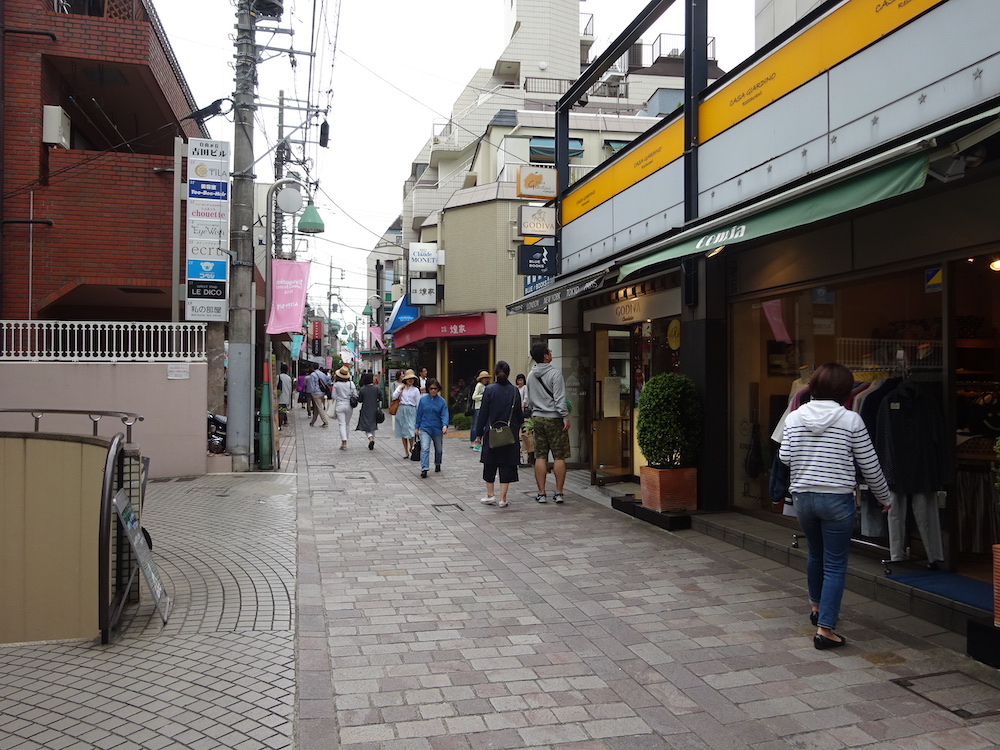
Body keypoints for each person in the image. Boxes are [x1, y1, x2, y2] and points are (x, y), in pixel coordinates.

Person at [779, 362, 890, 650]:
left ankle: (816, 609)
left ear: (813, 386)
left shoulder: (794, 417)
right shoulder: (851, 420)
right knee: (835, 564)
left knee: (815, 555)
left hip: (803, 497)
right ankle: (825, 629)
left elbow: (785, 457)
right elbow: (869, 464)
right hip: (837, 499)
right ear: (846, 390)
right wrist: (884, 497)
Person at [525, 342, 570, 503]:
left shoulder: (530, 375)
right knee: (559, 456)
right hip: (554, 418)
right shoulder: (555, 374)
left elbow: (528, 400)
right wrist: (565, 416)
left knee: (540, 456)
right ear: (545, 356)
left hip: (537, 418)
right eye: (549, 351)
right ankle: (558, 493)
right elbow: (559, 399)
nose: (550, 353)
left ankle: (541, 493)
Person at [475, 361, 523, 507]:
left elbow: (483, 413)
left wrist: (478, 433)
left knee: (490, 462)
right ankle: (503, 498)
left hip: (492, 432)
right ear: (508, 373)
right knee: (507, 464)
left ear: (495, 373)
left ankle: (490, 495)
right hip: (509, 434)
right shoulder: (515, 391)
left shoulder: (489, 390)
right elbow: (519, 416)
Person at [414, 378, 448, 478]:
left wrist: (444, 425)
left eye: (435, 388)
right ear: (428, 389)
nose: (433, 390)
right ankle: (424, 468)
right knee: (424, 448)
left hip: (437, 429)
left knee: (439, 449)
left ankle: (438, 463)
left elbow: (444, 414)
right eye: (431, 388)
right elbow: (419, 414)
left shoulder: (442, 401)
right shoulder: (423, 400)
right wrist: (417, 427)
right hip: (425, 428)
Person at [393, 369, 421, 459]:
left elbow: (418, 403)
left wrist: (419, 414)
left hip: (412, 410)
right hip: (402, 409)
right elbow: (394, 396)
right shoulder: (401, 388)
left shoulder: (416, 390)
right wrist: (400, 388)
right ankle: (405, 451)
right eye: (409, 378)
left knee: (411, 429)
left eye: (412, 378)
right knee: (403, 430)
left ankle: (411, 447)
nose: (410, 380)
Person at [331, 365, 358, 450]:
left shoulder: (336, 384)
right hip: (349, 405)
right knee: (347, 424)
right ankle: (346, 441)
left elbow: (333, 396)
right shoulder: (351, 383)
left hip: (339, 405)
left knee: (341, 424)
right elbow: (355, 394)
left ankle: (344, 442)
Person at [355, 371, 382, 450]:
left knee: (366, 426)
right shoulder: (376, 388)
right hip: (374, 409)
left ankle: (370, 438)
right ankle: (372, 439)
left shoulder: (363, 389)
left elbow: (360, 400)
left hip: (365, 409)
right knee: (373, 425)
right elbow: (380, 398)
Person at [515, 373, 534, 466]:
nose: (520, 382)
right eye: (518, 380)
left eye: (521, 380)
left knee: (525, 429)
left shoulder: (525, 388)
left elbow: (526, 397)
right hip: (517, 411)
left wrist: (522, 406)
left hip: (524, 410)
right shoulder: (516, 389)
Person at [470, 370, 490, 450]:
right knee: (475, 425)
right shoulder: (479, 385)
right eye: (484, 378)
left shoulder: (484, 386)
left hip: (482, 407)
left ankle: (478, 441)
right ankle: (473, 441)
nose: (486, 380)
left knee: (480, 425)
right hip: (478, 407)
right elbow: (474, 396)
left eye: (487, 378)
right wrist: (483, 396)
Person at [277, 363, 293, 428]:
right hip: (286, 395)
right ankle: (285, 420)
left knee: (281, 409)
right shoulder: (289, 378)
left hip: (280, 396)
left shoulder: (278, 377)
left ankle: (282, 421)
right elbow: (290, 388)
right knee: (283, 408)